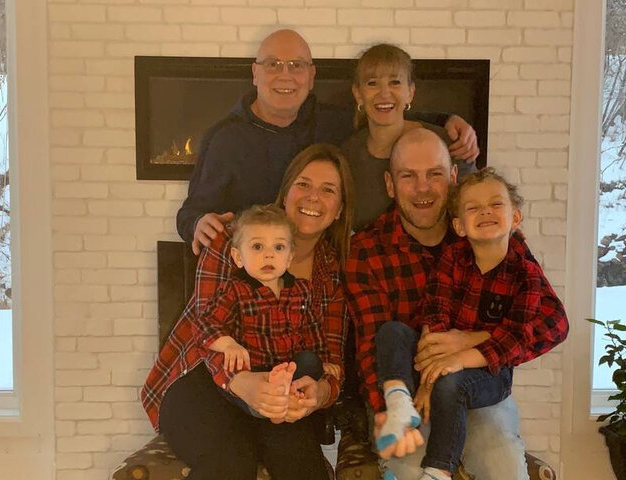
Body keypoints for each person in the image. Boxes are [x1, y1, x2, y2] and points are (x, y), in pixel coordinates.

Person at [344, 128, 569, 480]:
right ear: (390, 184)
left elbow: (554, 323)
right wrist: (384, 409)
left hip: (478, 386)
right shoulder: (366, 250)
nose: (422, 188)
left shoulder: (492, 233)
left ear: (452, 177)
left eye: (434, 174)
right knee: (408, 467)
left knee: (503, 466)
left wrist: (472, 342)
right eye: (408, 176)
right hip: (409, 395)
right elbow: (373, 343)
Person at [141, 143, 354, 480]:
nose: (313, 197)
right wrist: (240, 381)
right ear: (285, 193)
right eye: (303, 184)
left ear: (339, 209)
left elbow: (330, 359)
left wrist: (320, 393)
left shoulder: (329, 271)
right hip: (202, 378)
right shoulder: (232, 239)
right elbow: (203, 324)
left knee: (303, 466)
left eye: (328, 190)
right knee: (231, 461)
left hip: (278, 388)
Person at [176, 29, 480, 254]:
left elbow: (384, 111)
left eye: (296, 65)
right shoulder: (224, 138)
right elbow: (190, 213)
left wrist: (447, 120)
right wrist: (198, 223)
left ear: (311, 76)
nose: (285, 75)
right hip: (253, 264)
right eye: (273, 64)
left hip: (317, 260)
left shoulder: (333, 121)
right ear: (255, 73)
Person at [199, 204, 338, 418]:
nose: (269, 255)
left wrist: (324, 360)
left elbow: (313, 331)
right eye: (257, 247)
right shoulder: (234, 289)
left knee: (310, 361)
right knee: (236, 371)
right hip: (254, 371)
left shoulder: (302, 290)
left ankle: (286, 398)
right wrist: (228, 344)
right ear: (238, 257)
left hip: (290, 368)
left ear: (290, 257)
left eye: (279, 247)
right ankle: (270, 403)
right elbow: (205, 323)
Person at [342, 43, 478, 231]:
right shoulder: (348, 155)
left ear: (410, 92)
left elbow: (477, 204)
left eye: (395, 82)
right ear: (358, 94)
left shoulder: (447, 144)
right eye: (372, 83)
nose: (384, 93)